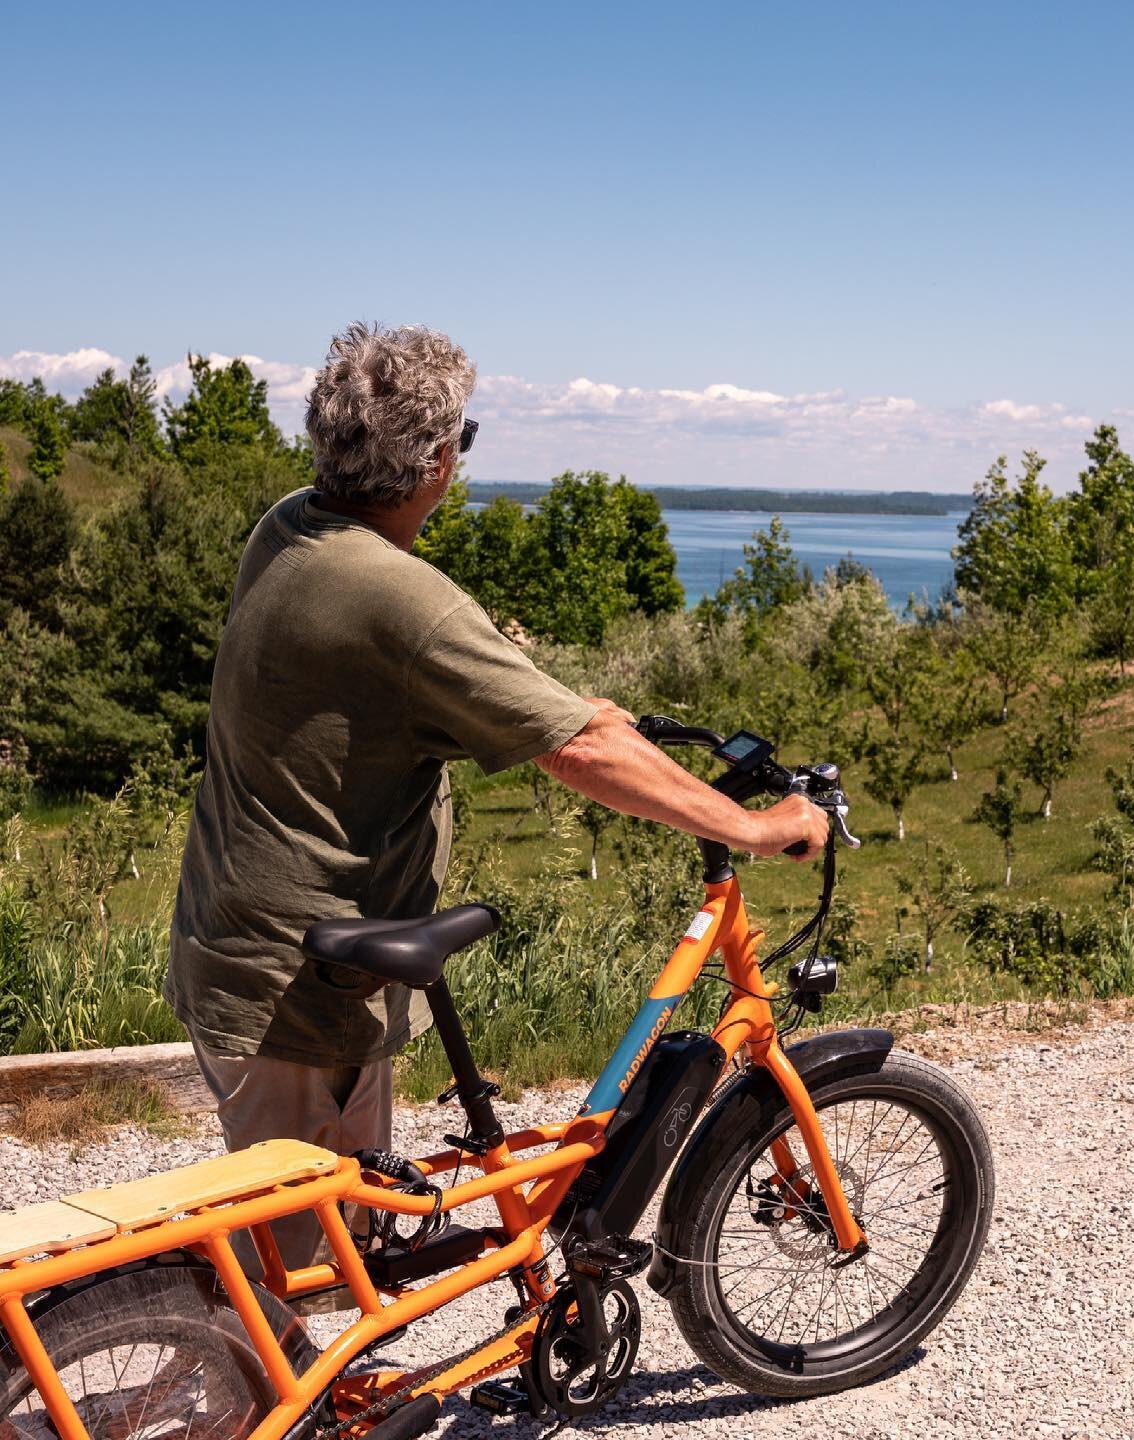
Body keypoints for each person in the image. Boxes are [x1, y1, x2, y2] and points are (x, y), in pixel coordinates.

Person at [166, 322, 827, 1270]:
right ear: (438, 459)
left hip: (254, 940)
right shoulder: (406, 601)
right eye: (463, 441)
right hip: (293, 985)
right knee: (293, 1284)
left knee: (343, 1237)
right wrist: (755, 827)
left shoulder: (291, 525)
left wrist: (537, 694)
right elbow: (583, 753)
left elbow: (397, 679)